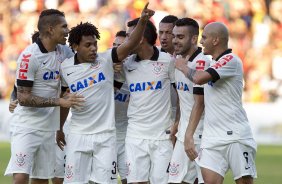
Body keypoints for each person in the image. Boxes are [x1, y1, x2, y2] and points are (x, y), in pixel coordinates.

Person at [57, 4, 155, 184]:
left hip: (105, 136)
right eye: (88, 45)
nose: (93, 48)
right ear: (75, 46)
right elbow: (64, 100)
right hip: (78, 135)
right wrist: (59, 128)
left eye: (95, 44)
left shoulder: (106, 59)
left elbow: (131, 43)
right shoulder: (65, 68)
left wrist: (142, 21)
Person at [5, 9, 84, 184]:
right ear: (50, 29)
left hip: (50, 128)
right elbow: (24, 98)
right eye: (63, 26)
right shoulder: (29, 56)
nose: (67, 30)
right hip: (26, 126)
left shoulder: (64, 52)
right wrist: (59, 101)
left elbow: (83, 62)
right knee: (20, 177)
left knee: (41, 179)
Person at [175, 22, 257, 184]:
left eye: (204, 37)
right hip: (211, 138)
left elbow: (198, 78)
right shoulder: (211, 63)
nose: (201, 41)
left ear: (216, 40)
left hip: (235, 136)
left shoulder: (231, 60)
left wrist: (183, 67)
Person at [122, 17, 175, 184]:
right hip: (135, 136)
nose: (126, 41)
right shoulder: (126, 63)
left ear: (141, 38)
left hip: (162, 137)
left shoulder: (167, 61)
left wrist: (178, 122)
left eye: (130, 36)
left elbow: (181, 95)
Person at [168, 18, 211, 184]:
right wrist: (177, 124)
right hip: (185, 132)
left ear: (194, 39)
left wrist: (189, 135)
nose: (175, 41)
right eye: (174, 36)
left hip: (199, 134)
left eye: (180, 37)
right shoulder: (178, 61)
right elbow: (183, 98)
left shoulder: (202, 62)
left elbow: (200, 103)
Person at [158, 15, 179, 146]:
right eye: (161, 32)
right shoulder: (153, 57)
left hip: (182, 118)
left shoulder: (187, 58)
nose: (163, 37)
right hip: (160, 122)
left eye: (168, 33)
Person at [112, 30, 130, 184]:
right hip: (104, 136)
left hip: (126, 137)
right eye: (114, 45)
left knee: (129, 180)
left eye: (121, 46)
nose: (116, 50)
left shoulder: (136, 75)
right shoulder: (102, 69)